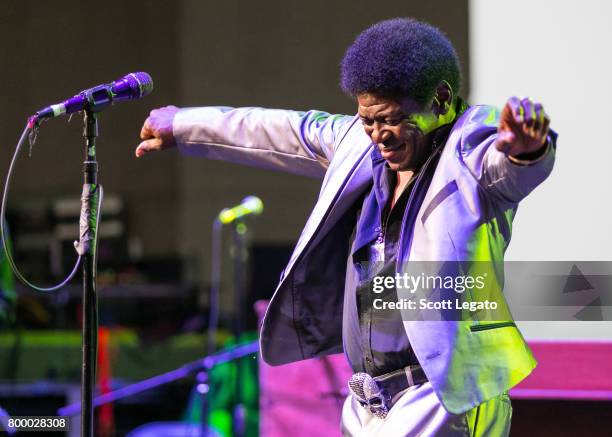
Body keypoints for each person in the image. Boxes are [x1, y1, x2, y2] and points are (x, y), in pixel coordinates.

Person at [136, 18, 555, 437]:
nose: (379, 136)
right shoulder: (360, 143)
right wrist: (185, 125)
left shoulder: (471, 146)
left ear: (441, 99)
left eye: (391, 119)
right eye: (368, 120)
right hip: (367, 399)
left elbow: (507, 169)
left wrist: (527, 150)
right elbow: (280, 132)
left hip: (441, 397)